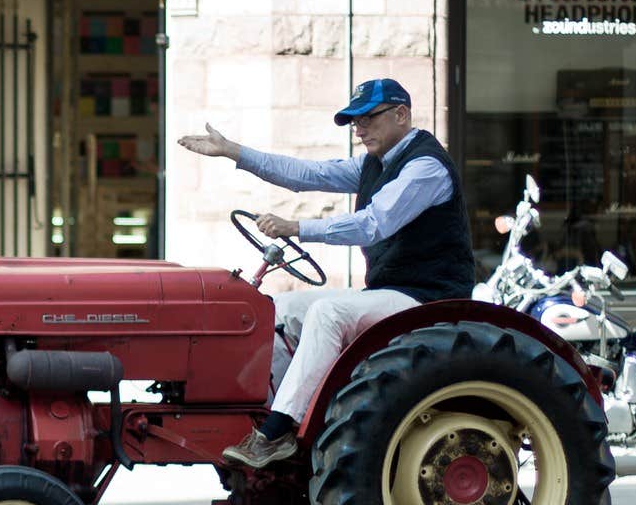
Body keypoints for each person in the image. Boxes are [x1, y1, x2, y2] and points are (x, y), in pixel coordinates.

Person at [175, 78, 477, 468]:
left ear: (401, 115)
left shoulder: (425, 167)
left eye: (368, 118)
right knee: (280, 309)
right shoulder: (376, 163)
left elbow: (373, 224)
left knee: (328, 313)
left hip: (429, 298)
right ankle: (263, 416)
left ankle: (280, 431)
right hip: (390, 291)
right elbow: (308, 175)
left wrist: (297, 228)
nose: (359, 128)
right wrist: (233, 151)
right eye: (355, 121)